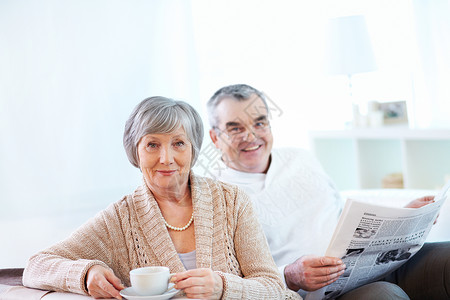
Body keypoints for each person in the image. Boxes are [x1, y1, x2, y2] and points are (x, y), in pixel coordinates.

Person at [23, 96, 301, 300]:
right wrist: (86, 274)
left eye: (178, 143)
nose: (166, 158)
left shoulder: (232, 201)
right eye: (152, 144)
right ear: (136, 151)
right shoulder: (119, 218)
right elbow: (36, 266)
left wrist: (223, 287)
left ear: (193, 149)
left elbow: (272, 287)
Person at [205, 84, 450, 299]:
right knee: (383, 295)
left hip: (374, 265)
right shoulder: (217, 197)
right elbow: (231, 282)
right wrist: (289, 275)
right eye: (235, 128)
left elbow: (344, 217)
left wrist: (401, 218)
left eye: (260, 122)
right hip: (323, 292)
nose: (251, 136)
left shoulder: (300, 158)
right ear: (215, 138)